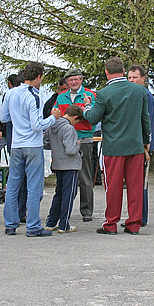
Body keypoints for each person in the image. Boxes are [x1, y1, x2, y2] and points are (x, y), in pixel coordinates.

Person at [84, 57, 151, 235]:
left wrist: (86, 107)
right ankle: (134, 224)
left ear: (107, 72)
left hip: (113, 147)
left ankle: (111, 224)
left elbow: (93, 118)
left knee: (113, 187)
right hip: (135, 146)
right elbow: (145, 118)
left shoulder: (104, 93)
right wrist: (146, 141)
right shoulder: (139, 91)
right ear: (123, 70)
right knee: (135, 187)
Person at [0, 62, 61, 237]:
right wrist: (53, 118)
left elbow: (3, 117)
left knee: (13, 185)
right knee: (34, 186)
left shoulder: (10, 93)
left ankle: (10, 224)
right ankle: (33, 226)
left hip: (16, 144)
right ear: (39, 76)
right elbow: (36, 125)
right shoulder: (35, 96)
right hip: (32, 144)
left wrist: (18, 120)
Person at [54, 68, 98, 222]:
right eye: (70, 80)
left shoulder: (90, 95)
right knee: (65, 177)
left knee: (85, 177)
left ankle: (87, 211)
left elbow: (93, 118)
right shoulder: (61, 98)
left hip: (84, 139)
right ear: (67, 82)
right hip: (66, 141)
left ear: (81, 79)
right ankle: (63, 209)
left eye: (76, 79)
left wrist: (86, 108)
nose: (73, 82)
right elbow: (57, 118)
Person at [44, 105, 84, 233]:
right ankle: (64, 224)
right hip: (70, 165)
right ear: (75, 117)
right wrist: (78, 145)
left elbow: (46, 143)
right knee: (69, 194)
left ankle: (51, 222)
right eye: (76, 122)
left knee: (59, 194)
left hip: (57, 164)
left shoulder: (52, 126)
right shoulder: (69, 128)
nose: (75, 124)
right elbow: (71, 150)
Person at [128, 64, 154, 225]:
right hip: (137, 142)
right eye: (129, 77)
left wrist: (146, 144)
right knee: (136, 183)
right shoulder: (134, 93)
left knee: (140, 183)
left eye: (135, 77)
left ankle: (140, 217)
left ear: (143, 79)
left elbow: (146, 121)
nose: (132, 80)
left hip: (142, 143)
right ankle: (137, 216)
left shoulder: (144, 95)